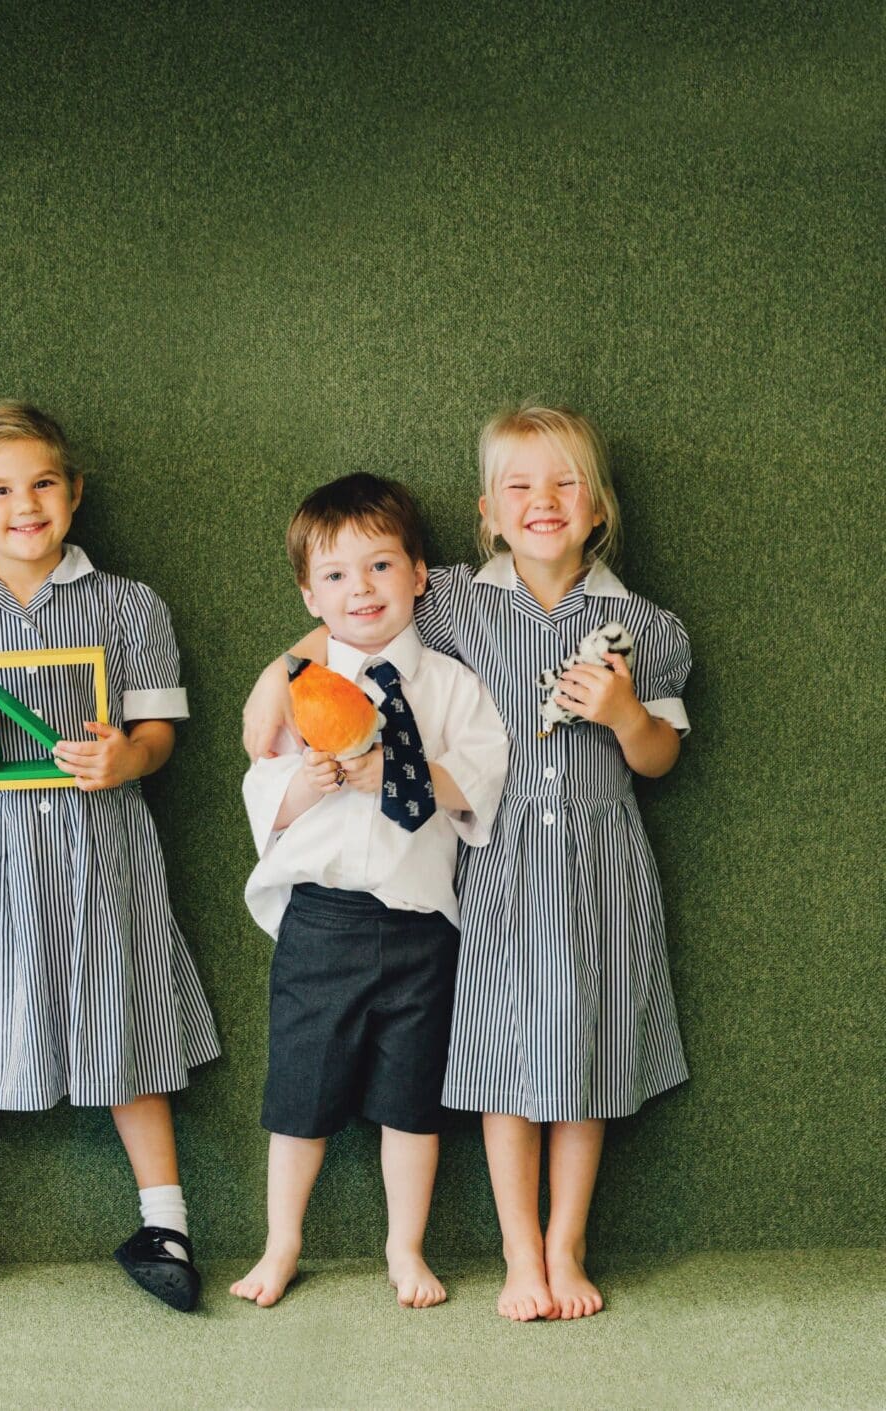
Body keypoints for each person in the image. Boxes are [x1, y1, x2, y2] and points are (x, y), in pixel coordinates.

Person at [243, 406, 692, 1321]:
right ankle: (519, 1252)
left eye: (565, 481)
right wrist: (274, 679)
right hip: (495, 861)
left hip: (600, 860)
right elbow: (352, 616)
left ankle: (564, 1245)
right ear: (488, 512)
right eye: (519, 485)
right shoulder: (451, 596)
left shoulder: (648, 626)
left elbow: (659, 758)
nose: (543, 500)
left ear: (598, 506)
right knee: (500, 1051)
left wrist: (623, 714)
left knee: (590, 1045)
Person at [0, 403, 220, 1311]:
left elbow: (158, 733)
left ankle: (166, 1222)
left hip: (102, 848)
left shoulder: (130, 604)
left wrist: (126, 758)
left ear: (73, 492)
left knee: (124, 1015)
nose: (23, 505)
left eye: (41, 484)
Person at [231, 474, 507, 1309]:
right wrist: (307, 782)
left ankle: (405, 1247)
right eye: (337, 575)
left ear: (419, 575)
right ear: (310, 596)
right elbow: (262, 790)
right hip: (323, 918)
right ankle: (282, 1242)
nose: (362, 588)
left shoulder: (452, 685)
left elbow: (478, 780)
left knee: (411, 1100)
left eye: (381, 565)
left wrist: (398, 769)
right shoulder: (299, 689)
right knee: (299, 1093)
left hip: (421, 923)